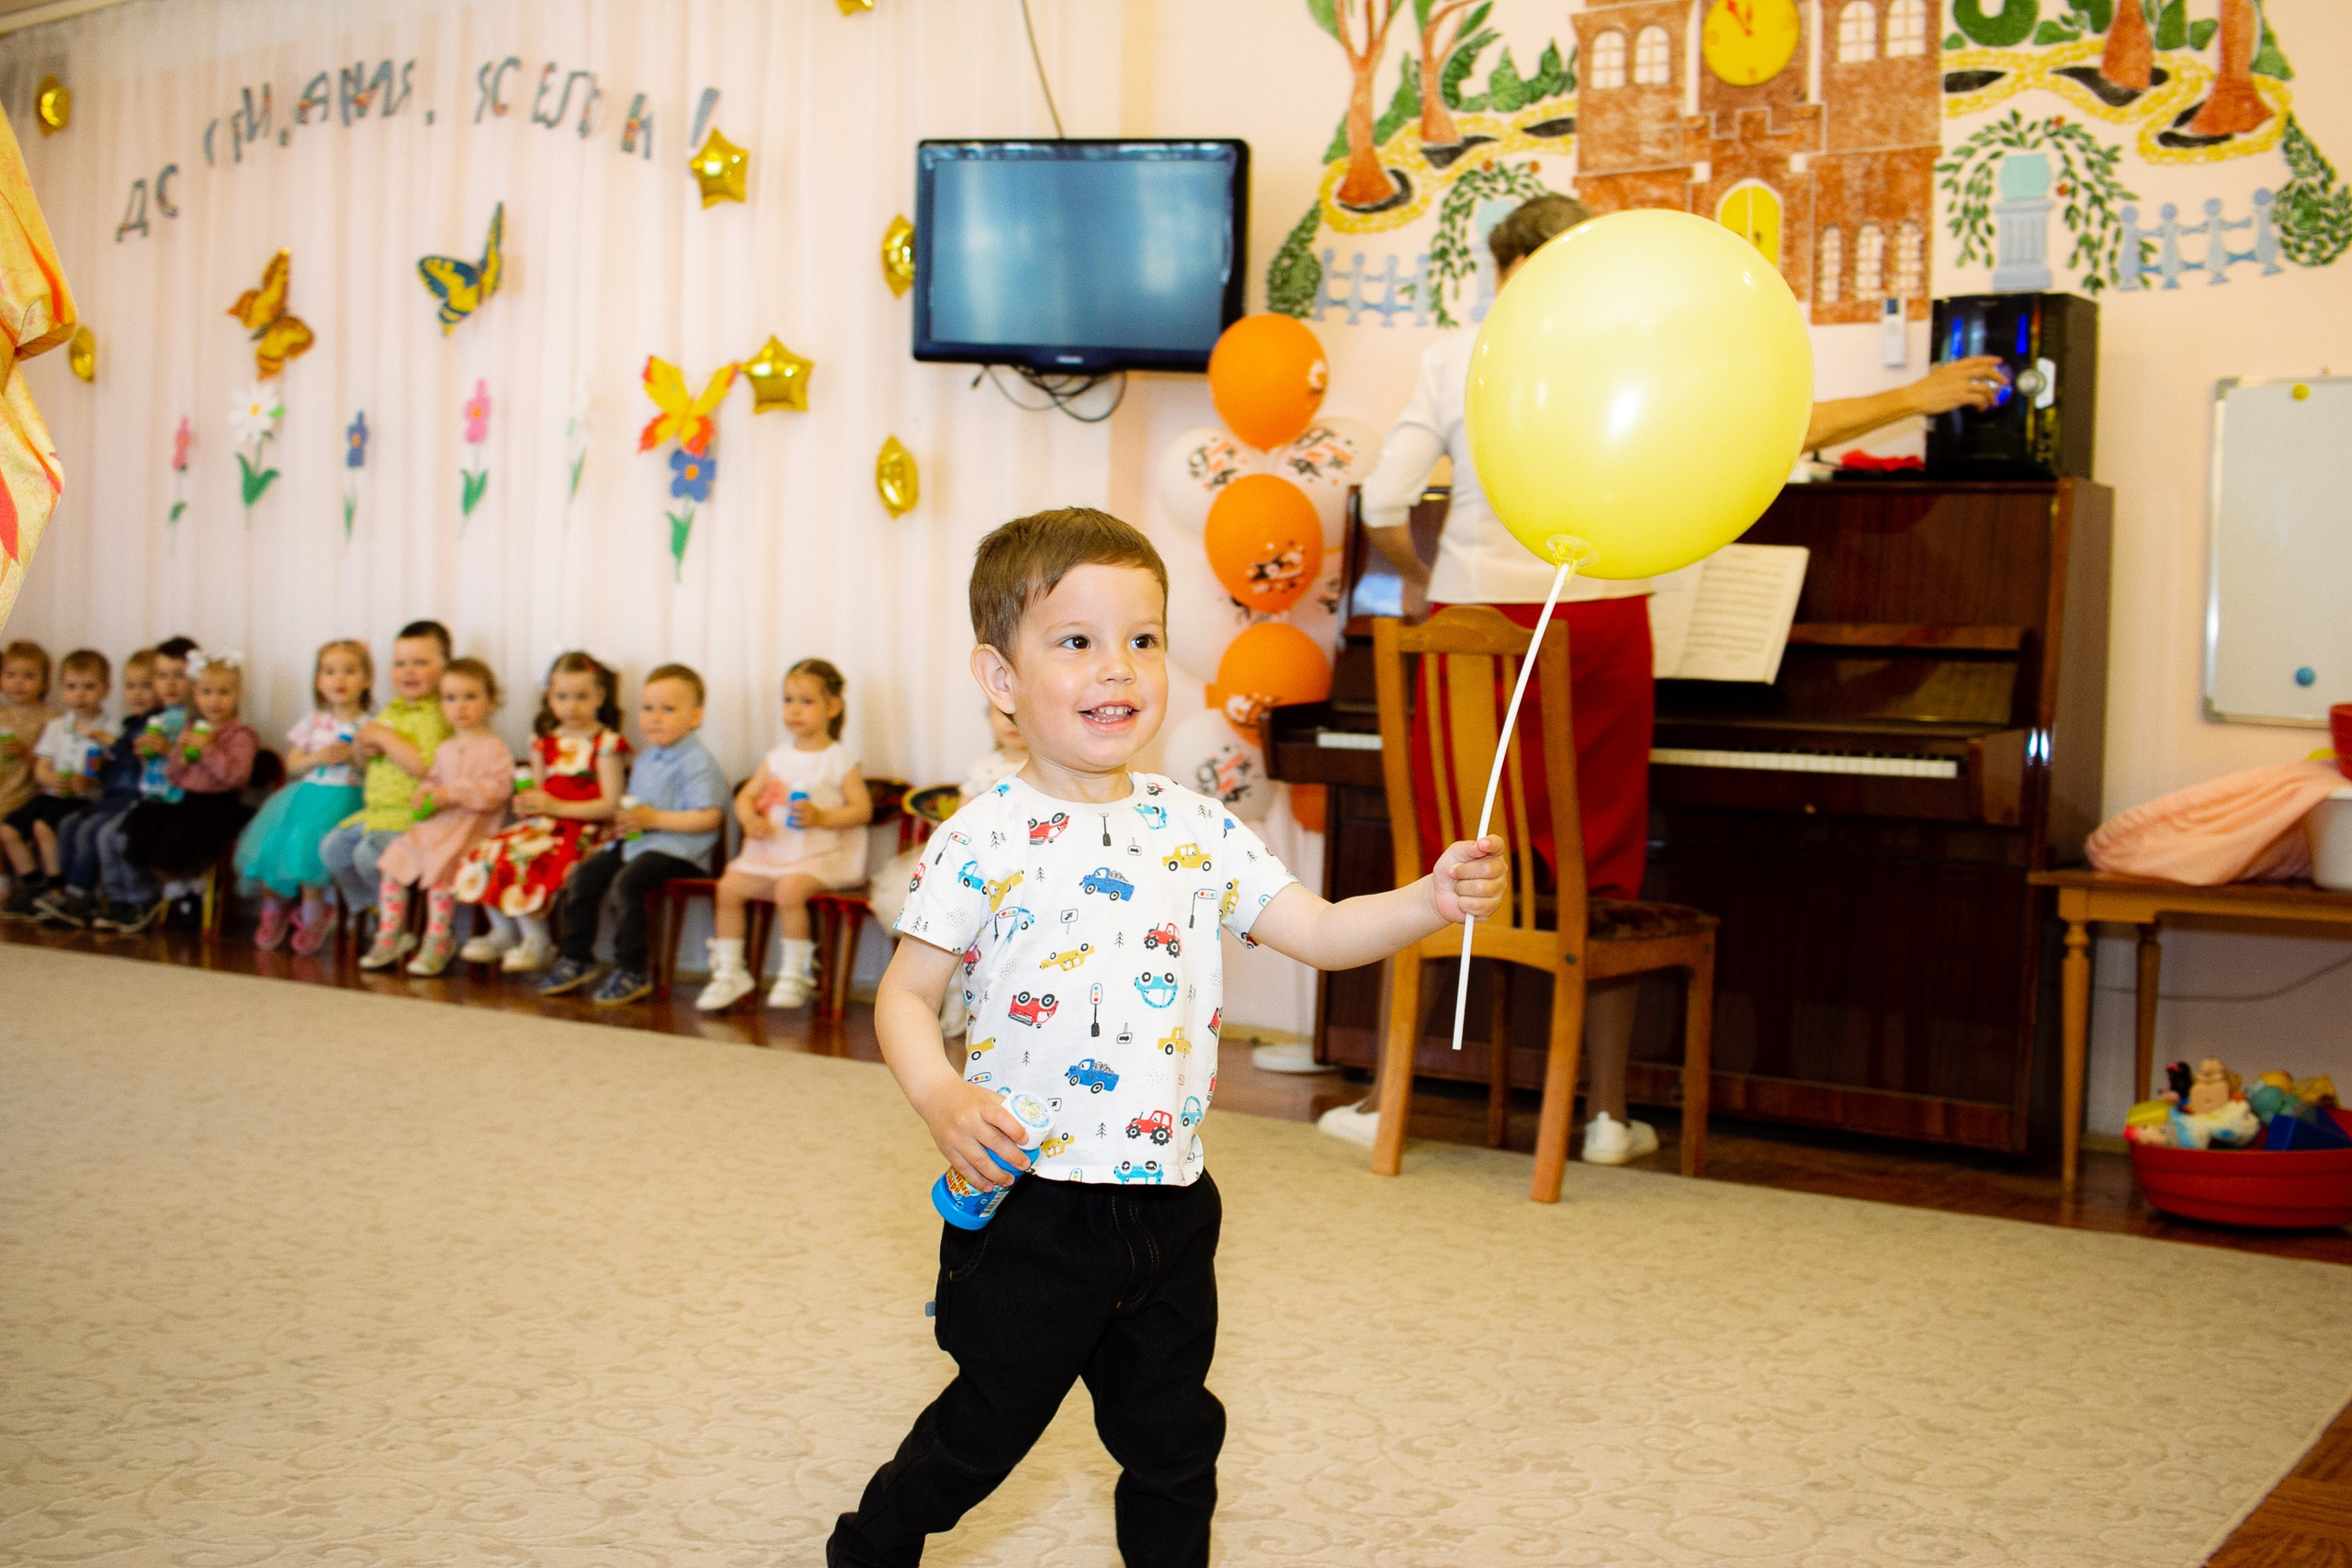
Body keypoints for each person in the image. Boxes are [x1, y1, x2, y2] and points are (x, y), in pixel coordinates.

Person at [826, 507, 1505, 1568]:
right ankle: (870, 1545)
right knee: (987, 1428)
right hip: (1035, 1205)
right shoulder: (982, 837)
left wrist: (1428, 897)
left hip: (1172, 1204)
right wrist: (942, 1096)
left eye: (1143, 639)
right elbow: (904, 998)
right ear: (999, 679)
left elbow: (1319, 933)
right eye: (1078, 641)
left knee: (1175, 1441)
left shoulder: (1195, 827)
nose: (1121, 668)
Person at [1329, 192, 2013, 1166]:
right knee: (1600, 866)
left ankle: (1385, 1095)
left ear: (1502, 270)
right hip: (1602, 625)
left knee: (1453, 849)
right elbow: (1779, 429)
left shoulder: (1455, 356)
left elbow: (1387, 496)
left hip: (1467, 629)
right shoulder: (1638, 352)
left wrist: (1422, 586)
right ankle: (1606, 1116)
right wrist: (1915, 395)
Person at [537, 662, 728, 1008]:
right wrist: (624, 824)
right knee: (583, 874)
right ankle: (576, 957)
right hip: (639, 844)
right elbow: (636, 809)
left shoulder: (697, 761)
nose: (654, 718)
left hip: (680, 851)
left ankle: (632, 970)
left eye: (668, 710)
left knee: (628, 884)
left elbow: (709, 817)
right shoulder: (644, 759)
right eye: (648, 708)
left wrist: (653, 819)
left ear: (695, 716)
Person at [697, 659, 874, 1012]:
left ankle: (796, 973)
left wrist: (822, 815)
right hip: (776, 851)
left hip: (821, 855)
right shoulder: (776, 758)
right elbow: (746, 796)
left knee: (790, 889)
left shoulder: (839, 759)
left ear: (833, 707)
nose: (794, 710)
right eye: (788, 700)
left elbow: (862, 810)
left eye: (806, 701)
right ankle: (730, 972)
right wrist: (749, 817)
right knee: (728, 887)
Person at [452, 650, 628, 975]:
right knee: (487, 851)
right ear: (550, 698)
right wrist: (528, 804)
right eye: (562, 697)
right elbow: (537, 793)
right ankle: (504, 931)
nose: (571, 706)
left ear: (599, 697)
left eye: (581, 697)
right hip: (546, 826)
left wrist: (556, 807)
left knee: (529, 857)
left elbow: (610, 806)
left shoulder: (606, 744)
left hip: (586, 830)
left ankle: (538, 939)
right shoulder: (544, 744)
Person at [868, 704, 1028, 1038]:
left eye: (1020, 714)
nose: (1010, 723)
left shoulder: (1042, 766)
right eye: (1001, 715)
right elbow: (962, 817)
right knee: (950, 925)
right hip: (978, 861)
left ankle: (993, 1012)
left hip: (1021, 865)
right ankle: (954, 996)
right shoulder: (984, 767)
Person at [363, 658, 514, 977]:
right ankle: (391, 932)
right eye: (450, 698)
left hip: (470, 830)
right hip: (439, 826)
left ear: (489, 701)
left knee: (442, 868)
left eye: (470, 697)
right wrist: (426, 793)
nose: (460, 707)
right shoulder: (446, 748)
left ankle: (439, 937)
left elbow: (497, 791)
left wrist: (454, 791)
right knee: (396, 857)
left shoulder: (494, 748)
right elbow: (434, 780)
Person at [320, 620, 453, 956]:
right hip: (377, 812)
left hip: (412, 817)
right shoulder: (392, 709)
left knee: (369, 854)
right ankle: (377, 907)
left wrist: (387, 739)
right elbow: (371, 762)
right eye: (400, 663)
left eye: (420, 663)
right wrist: (364, 752)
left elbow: (426, 767)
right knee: (332, 849)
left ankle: (397, 926)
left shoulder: (441, 713)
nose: (408, 671)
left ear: (445, 667)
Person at [233, 639, 371, 954]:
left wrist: (354, 756)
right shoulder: (313, 722)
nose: (340, 679)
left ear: (366, 680)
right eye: (330, 672)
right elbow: (293, 764)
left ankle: (314, 914)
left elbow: (375, 770)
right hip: (306, 794)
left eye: (350, 671)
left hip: (346, 796)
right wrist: (319, 757)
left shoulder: (370, 726)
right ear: (319, 682)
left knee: (308, 839)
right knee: (275, 838)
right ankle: (274, 909)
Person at [109, 651, 257, 932]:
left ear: (237, 696)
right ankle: (184, 888)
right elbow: (174, 776)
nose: (214, 700)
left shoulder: (241, 735)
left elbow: (236, 777)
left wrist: (210, 751)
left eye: (223, 693)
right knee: (144, 828)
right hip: (187, 801)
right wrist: (180, 757)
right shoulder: (189, 730)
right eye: (206, 692)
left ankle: (194, 890)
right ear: (195, 696)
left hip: (219, 807)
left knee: (187, 835)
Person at [36, 649, 157, 929]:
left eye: (146, 685)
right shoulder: (128, 726)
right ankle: (72, 893)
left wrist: (119, 749)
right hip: (111, 797)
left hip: (133, 799)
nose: (137, 694)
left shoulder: (151, 728)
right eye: (131, 686)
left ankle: (115, 899)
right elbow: (109, 769)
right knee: (69, 824)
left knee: (99, 832)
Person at [1, 648, 108, 919]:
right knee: (8, 830)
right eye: (72, 687)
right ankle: (32, 883)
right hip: (50, 793)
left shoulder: (106, 728)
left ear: (105, 690)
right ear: (62, 689)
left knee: (42, 826)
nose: (80, 695)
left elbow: (100, 770)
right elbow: (43, 766)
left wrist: (86, 779)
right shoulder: (58, 726)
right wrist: (52, 778)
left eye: (89, 687)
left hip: (78, 799)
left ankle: (56, 888)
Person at [0, 639, 53, 900]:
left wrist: (24, 752)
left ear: (44, 683)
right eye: (11, 675)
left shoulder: (49, 719)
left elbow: (51, 762)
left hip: (27, 790)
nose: (18, 683)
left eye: (29, 676)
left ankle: (7, 886)